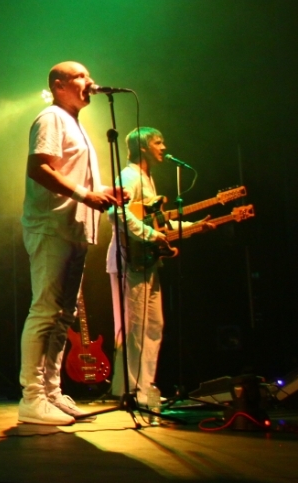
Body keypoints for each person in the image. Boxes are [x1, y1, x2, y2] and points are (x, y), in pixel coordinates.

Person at [19, 62, 121, 426]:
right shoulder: (51, 118)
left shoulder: (75, 123)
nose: (89, 82)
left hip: (75, 231)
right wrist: (83, 193)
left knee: (64, 318)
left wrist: (103, 192)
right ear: (59, 85)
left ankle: (50, 391)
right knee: (45, 311)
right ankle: (31, 397)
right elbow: (39, 168)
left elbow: (73, 174)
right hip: (51, 228)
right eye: (80, 77)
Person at [106, 127, 203, 412]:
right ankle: (129, 390)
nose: (164, 146)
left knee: (153, 326)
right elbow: (115, 214)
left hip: (146, 263)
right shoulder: (130, 176)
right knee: (134, 328)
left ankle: (145, 389)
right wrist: (151, 236)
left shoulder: (148, 179)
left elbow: (156, 223)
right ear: (144, 147)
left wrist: (196, 227)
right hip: (129, 262)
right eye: (158, 141)